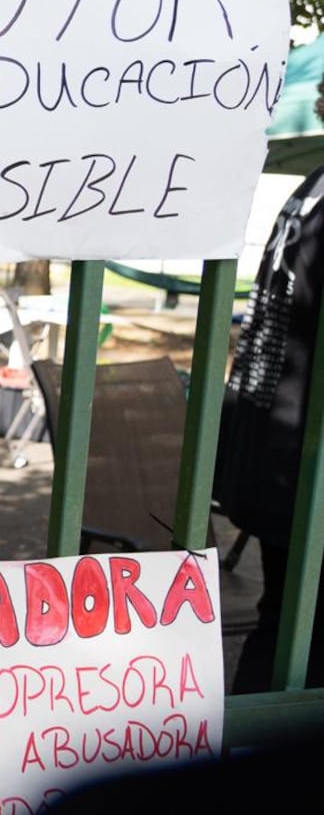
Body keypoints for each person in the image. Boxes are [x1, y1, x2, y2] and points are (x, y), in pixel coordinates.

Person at [213, 165, 324, 692]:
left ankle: (249, 746)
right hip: (299, 459)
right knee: (300, 628)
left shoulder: (313, 184)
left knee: (283, 619)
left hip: (274, 449)